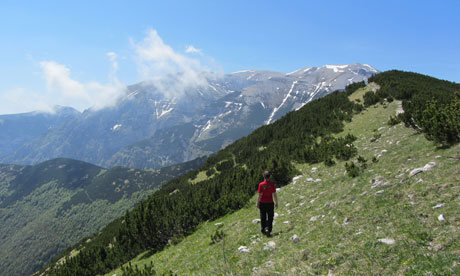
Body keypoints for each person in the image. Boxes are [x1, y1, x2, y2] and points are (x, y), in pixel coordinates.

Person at [256, 170, 278, 236]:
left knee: (263, 217)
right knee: (270, 217)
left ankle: (264, 230)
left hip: (262, 202)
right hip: (270, 203)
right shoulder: (272, 184)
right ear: (269, 177)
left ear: (264, 176)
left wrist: (257, 203)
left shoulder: (261, 184)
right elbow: (274, 194)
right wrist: (276, 202)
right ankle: (269, 229)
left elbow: (259, 195)